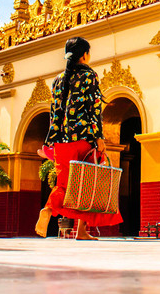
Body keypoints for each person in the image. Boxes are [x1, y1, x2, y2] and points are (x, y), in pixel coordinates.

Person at [35, 37, 122, 240]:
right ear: (84, 55)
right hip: (83, 138)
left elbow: (54, 113)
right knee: (87, 181)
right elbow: (94, 109)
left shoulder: (58, 80)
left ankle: (53, 213)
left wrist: (52, 141)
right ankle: (80, 229)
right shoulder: (89, 76)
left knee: (64, 184)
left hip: (62, 141)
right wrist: (99, 137)